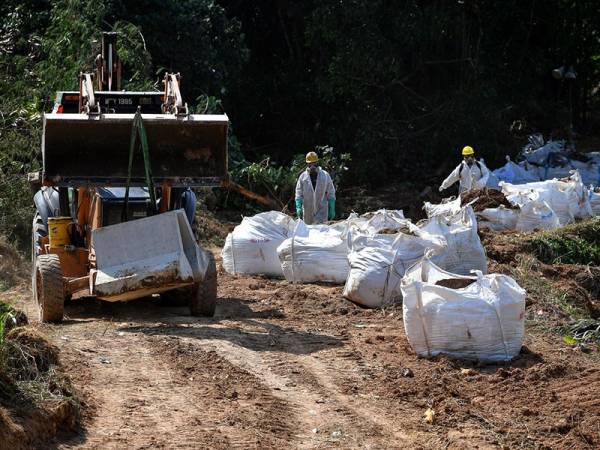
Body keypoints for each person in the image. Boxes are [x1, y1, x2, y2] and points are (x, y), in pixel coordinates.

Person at [295, 151, 336, 224]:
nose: (312, 166)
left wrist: (332, 208)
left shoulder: (325, 175)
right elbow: (298, 193)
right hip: (308, 213)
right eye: (310, 164)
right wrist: (298, 207)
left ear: (317, 162)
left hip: (322, 212)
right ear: (307, 164)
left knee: (321, 233)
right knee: (308, 233)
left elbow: (331, 192)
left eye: (314, 163)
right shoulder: (303, 177)